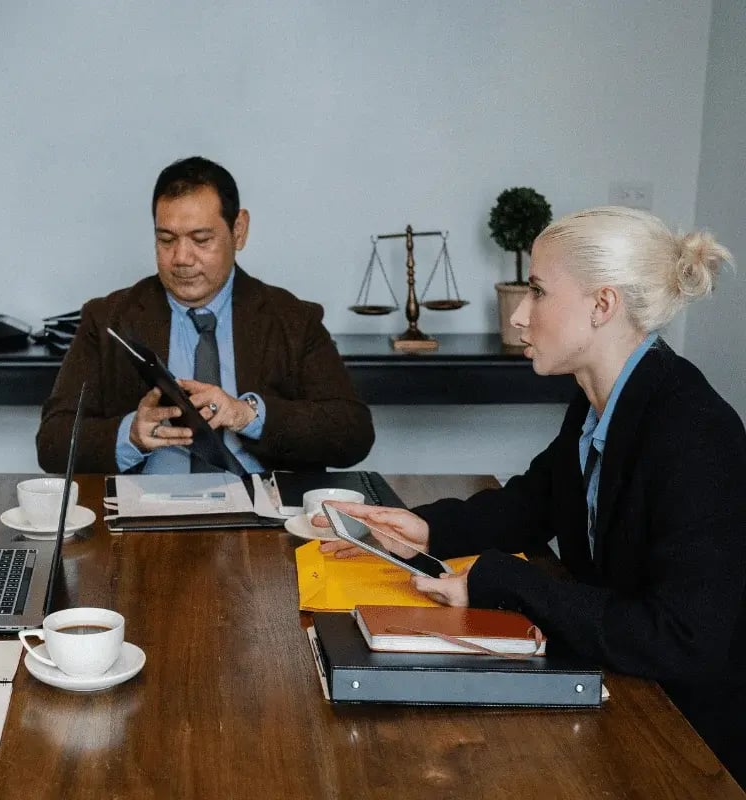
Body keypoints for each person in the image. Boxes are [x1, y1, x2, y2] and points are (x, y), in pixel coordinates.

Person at [318, 207, 746, 785]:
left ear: (603, 305)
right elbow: (534, 501)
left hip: (686, 744)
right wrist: (424, 528)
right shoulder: (601, 399)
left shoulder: (696, 433)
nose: (519, 316)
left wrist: (504, 581)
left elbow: (682, 640)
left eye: (538, 293)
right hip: (621, 690)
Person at [37, 156, 374, 474]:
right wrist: (129, 435)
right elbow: (52, 442)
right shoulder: (108, 318)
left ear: (238, 230)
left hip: (259, 518)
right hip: (144, 518)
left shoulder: (292, 320)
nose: (181, 258)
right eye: (166, 240)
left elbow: (353, 435)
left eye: (201, 239)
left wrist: (248, 415)